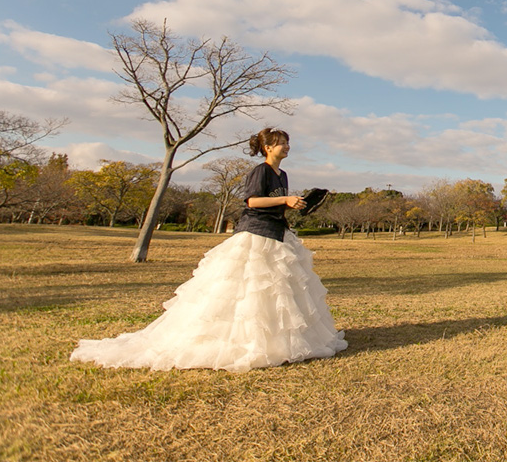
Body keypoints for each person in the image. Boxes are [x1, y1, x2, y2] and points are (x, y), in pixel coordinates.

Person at [70, 128, 347, 372]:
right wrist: (284, 198)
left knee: (278, 292)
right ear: (267, 147)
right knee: (249, 289)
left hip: (277, 232)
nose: (286, 146)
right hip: (255, 234)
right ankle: (240, 342)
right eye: (280, 143)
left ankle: (278, 342)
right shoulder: (260, 171)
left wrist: (292, 203)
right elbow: (251, 201)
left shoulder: (282, 174)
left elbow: (273, 202)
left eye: (287, 142)